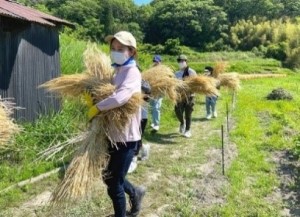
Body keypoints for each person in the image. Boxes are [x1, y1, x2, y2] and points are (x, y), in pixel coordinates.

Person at [87, 31, 145, 217]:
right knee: (111, 176)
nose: (115, 51)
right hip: (113, 134)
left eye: (121, 49)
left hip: (127, 137)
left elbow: (120, 97)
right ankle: (136, 193)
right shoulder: (118, 71)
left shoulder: (132, 72)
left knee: (113, 184)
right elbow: (110, 93)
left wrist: (98, 107)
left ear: (132, 52)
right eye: (113, 48)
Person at [128, 79, 151, 173]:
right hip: (132, 117)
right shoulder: (128, 82)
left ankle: (134, 159)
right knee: (136, 138)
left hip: (142, 117)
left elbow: (147, 96)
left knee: (137, 138)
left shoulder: (144, 84)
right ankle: (145, 148)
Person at [174, 54, 197, 138]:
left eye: (182, 61)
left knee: (188, 112)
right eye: (179, 61)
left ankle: (187, 130)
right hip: (179, 96)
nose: (181, 62)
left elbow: (196, 84)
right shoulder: (177, 73)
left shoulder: (192, 72)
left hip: (190, 95)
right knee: (177, 110)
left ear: (186, 61)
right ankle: (182, 122)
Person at [150, 55, 163, 132]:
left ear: (160, 62)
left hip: (159, 92)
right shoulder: (151, 70)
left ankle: (156, 124)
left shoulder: (163, 70)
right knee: (152, 107)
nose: (155, 63)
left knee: (156, 107)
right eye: (154, 61)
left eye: (157, 61)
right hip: (152, 92)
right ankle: (153, 122)